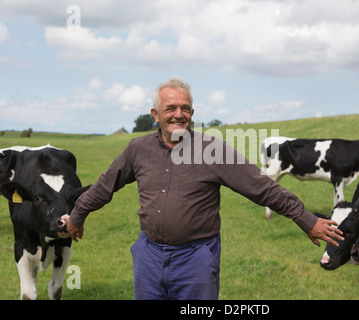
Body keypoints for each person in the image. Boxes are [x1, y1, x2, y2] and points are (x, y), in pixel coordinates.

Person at [64, 77, 343, 300]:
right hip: (148, 255)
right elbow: (105, 185)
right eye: (170, 108)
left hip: (195, 258)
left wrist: (307, 220)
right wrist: (78, 215)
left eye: (185, 108)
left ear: (192, 113)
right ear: (155, 114)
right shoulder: (137, 149)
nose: (178, 114)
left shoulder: (213, 151)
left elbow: (263, 188)